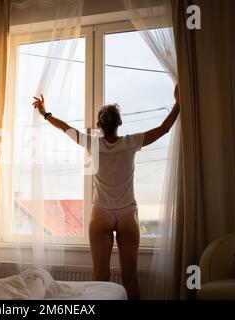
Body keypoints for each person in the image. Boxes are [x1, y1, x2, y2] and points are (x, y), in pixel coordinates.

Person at [32, 85, 180, 300]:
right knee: (130, 278)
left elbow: (64, 127)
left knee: (100, 276)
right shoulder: (131, 143)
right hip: (128, 214)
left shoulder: (92, 144)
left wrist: (45, 113)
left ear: (99, 125)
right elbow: (164, 128)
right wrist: (178, 102)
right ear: (119, 123)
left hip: (101, 214)